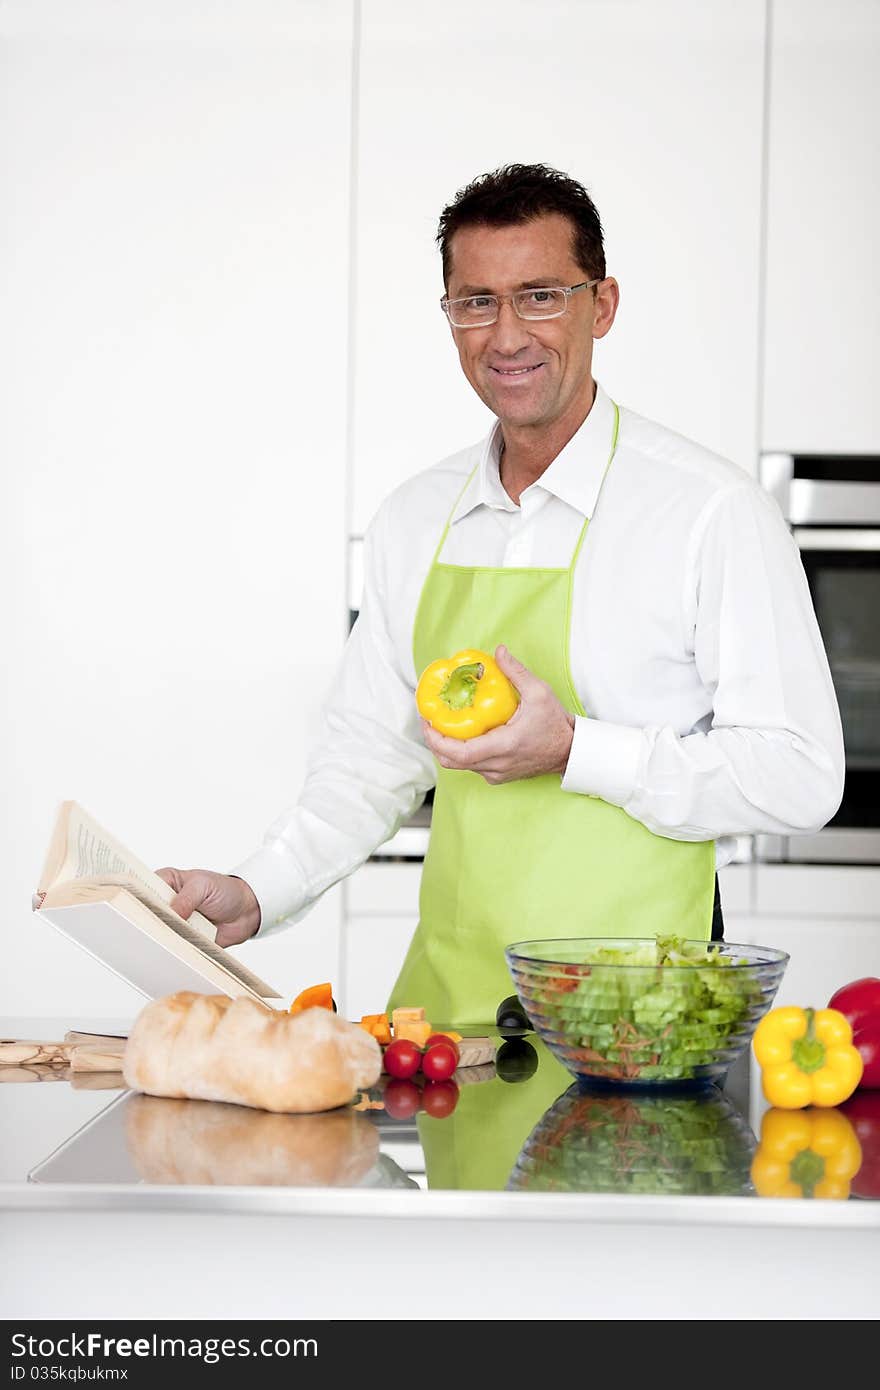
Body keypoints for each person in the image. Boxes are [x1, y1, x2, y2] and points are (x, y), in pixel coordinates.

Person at [159, 163, 844, 1026]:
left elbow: (800, 776)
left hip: (641, 1028)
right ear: (450, 317)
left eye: (541, 296)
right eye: (475, 302)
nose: (507, 334)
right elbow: (370, 757)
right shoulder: (417, 518)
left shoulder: (709, 511)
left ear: (602, 306)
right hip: (454, 1023)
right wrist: (255, 889)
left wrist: (574, 750)